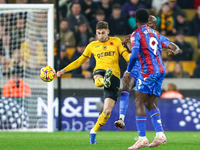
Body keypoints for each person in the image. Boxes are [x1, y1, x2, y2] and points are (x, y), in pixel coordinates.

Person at [56, 21, 130, 144]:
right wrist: (64, 70)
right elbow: (79, 61)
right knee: (97, 76)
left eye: (103, 33)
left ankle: (93, 131)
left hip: (115, 76)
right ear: (96, 33)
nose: (101, 36)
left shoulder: (116, 41)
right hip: (100, 71)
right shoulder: (92, 45)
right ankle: (103, 81)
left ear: (108, 32)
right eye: (99, 33)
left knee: (106, 111)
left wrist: (132, 60)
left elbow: (125, 55)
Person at [117, 9, 177, 149]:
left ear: (136, 20)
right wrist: (174, 50)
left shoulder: (136, 34)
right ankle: (160, 134)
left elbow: (135, 54)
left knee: (139, 102)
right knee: (150, 102)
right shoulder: (154, 33)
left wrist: (127, 71)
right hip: (161, 70)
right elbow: (172, 46)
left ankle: (142, 138)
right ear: (147, 20)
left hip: (148, 72)